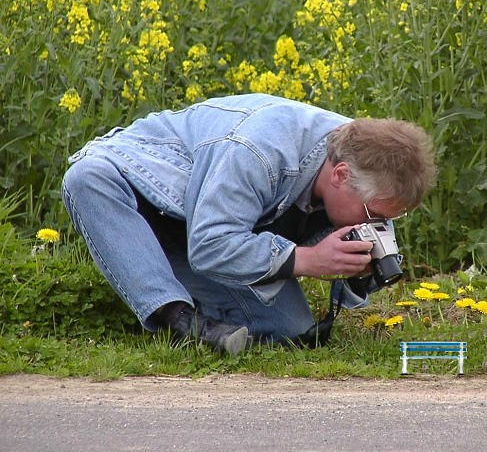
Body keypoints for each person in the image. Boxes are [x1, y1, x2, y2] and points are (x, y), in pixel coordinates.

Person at [61, 93, 436, 355]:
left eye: (391, 218)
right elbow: (209, 243)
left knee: (290, 330)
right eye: (376, 216)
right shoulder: (259, 150)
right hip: (155, 198)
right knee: (86, 178)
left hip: (224, 224)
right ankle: (175, 316)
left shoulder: (370, 164)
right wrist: (306, 260)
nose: (381, 225)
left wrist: (360, 273)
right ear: (339, 175)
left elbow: (366, 214)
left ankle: (194, 304)